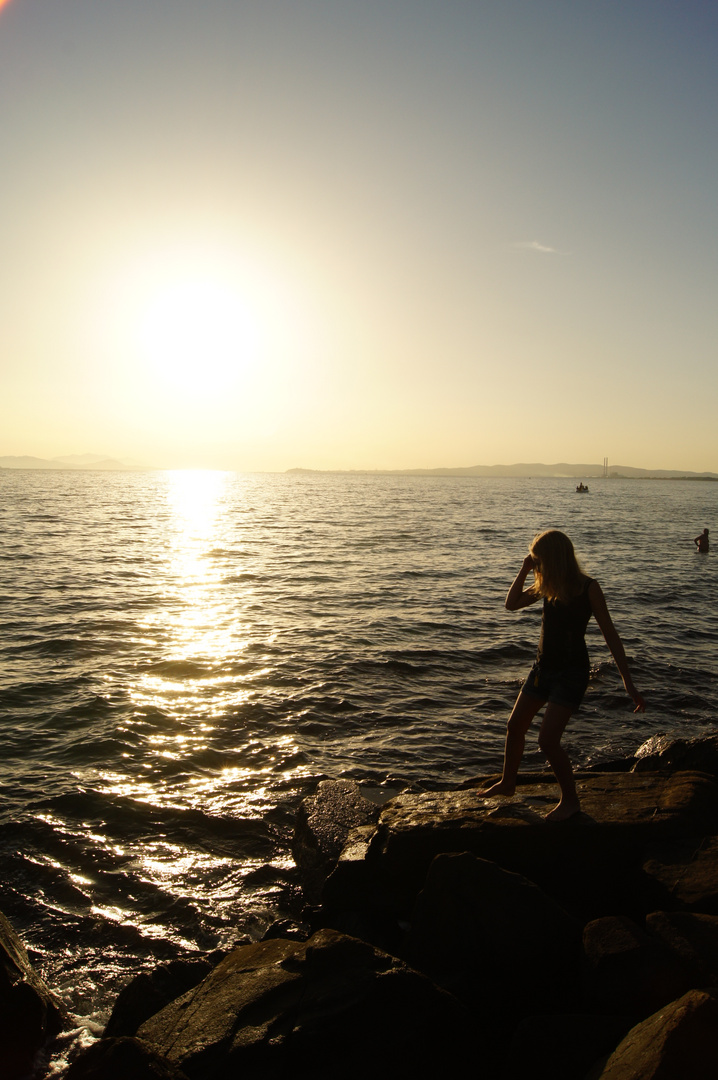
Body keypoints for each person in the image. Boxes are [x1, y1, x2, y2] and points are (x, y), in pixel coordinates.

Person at [482, 529, 645, 821]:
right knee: (515, 725)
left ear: (553, 559)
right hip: (543, 667)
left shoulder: (587, 588)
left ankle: (571, 801)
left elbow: (610, 634)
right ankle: (508, 783)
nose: (536, 566)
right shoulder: (547, 585)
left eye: (537, 560)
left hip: (571, 672)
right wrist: (523, 570)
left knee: (547, 740)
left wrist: (627, 681)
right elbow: (511, 604)